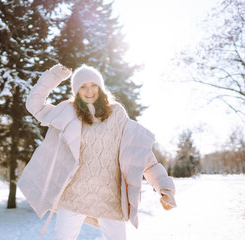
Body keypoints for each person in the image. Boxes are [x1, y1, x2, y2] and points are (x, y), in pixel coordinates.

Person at [18, 63, 176, 240]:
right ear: (76, 92)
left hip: (110, 200)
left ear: (101, 88)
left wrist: (164, 187)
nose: (89, 91)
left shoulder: (118, 115)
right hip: (73, 197)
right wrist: (54, 76)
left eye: (94, 85)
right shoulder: (68, 114)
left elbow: (143, 157)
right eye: (83, 87)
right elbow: (35, 105)